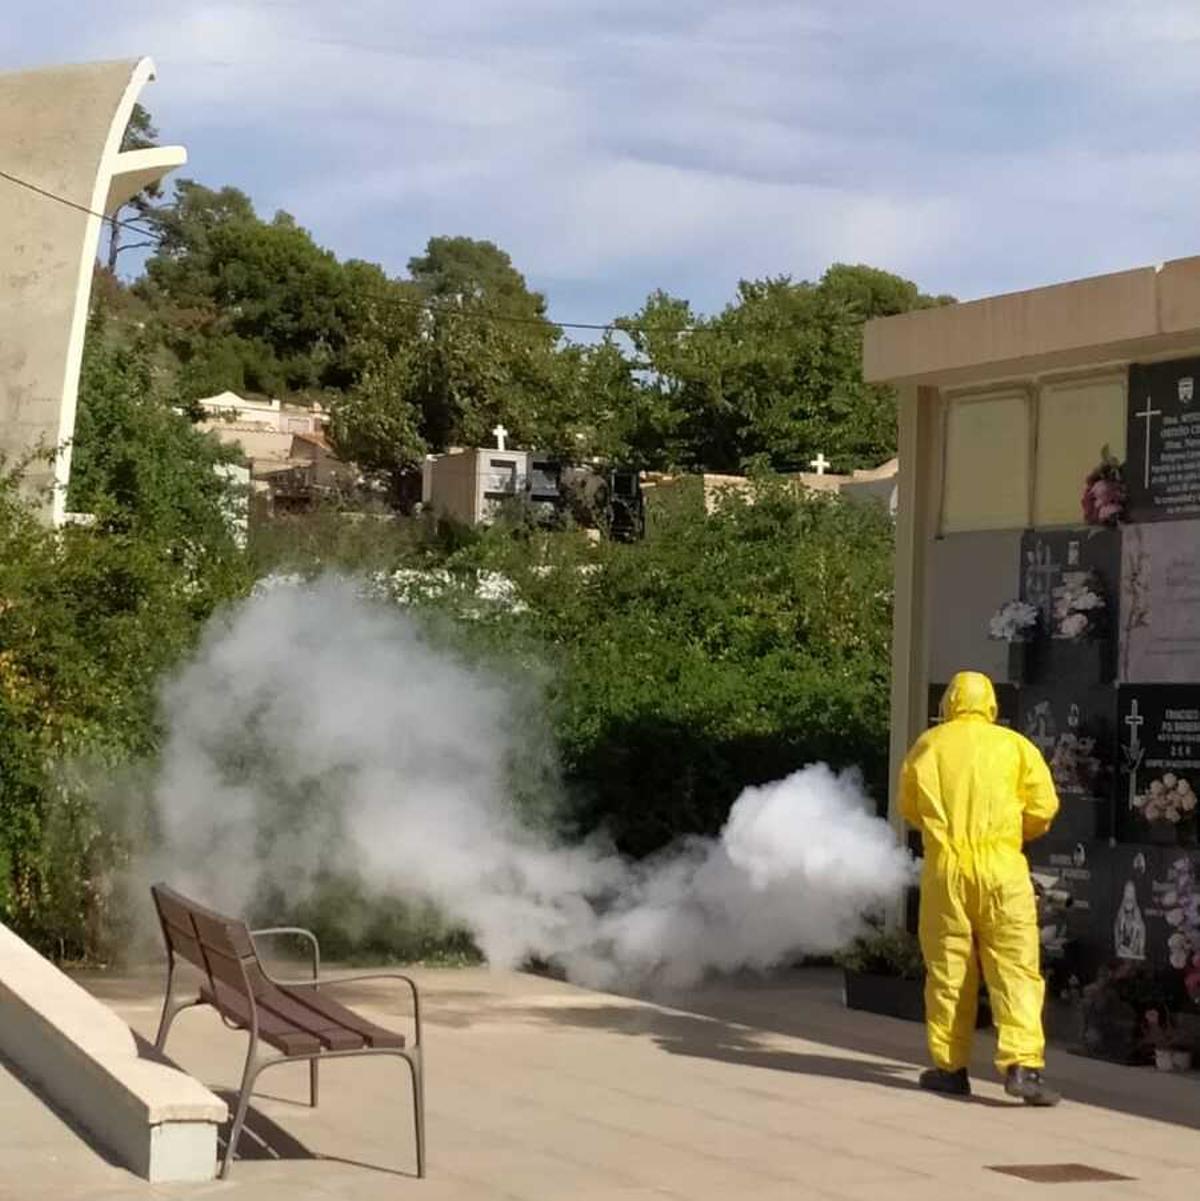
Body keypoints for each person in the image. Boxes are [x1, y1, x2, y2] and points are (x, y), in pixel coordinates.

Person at [899, 670, 1061, 1106]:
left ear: (949, 703)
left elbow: (909, 808)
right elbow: (1044, 807)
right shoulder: (1015, 747)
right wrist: (1010, 836)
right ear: (991, 704)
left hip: (945, 869)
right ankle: (1023, 1068)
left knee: (949, 971)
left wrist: (947, 835)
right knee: (1016, 969)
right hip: (1002, 868)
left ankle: (950, 1070)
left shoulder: (928, 746)